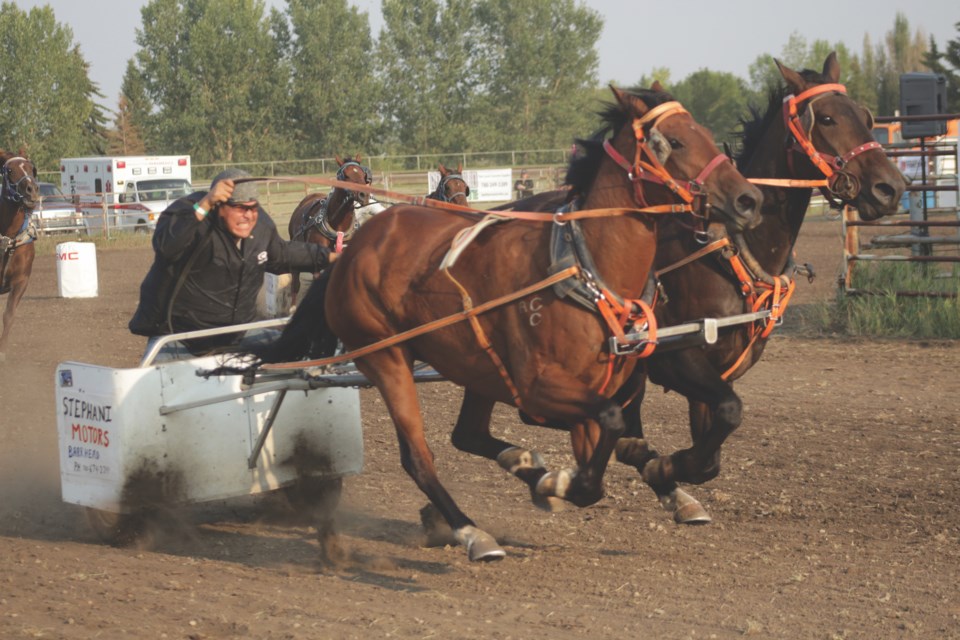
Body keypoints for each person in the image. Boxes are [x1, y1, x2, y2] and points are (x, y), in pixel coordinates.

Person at [129, 168, 337, 360]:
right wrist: (206, 203)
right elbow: (167, 246)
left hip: (236, 336)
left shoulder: (261, 226)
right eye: (239, 208)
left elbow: (282, 253)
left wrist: (330, 257)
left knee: (294, 353)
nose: (248, 216)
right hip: (178, 340)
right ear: (218, 206)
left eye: (252, 208)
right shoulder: (188, 214)